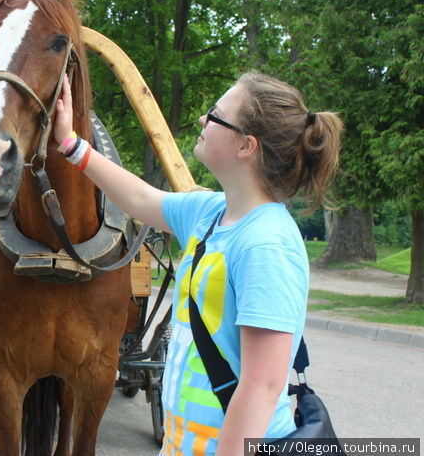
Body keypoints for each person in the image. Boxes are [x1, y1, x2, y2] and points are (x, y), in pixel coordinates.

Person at [52, 71, 343, 456]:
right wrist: (71, 144)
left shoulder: (267, 244)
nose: (203, 120)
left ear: (246, 145)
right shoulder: (210, 212)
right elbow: (140, 199)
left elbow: (262, 385)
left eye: (216, 115)